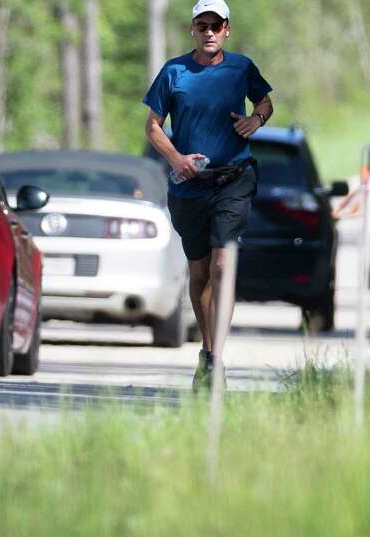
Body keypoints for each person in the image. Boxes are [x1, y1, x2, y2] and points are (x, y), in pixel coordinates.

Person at [143, 0, 273, 391]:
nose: (210, 32)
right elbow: (152, 126)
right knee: (199, 271)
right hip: (189, 185)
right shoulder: (174, 71)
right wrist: (177, 159)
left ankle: (216, 358)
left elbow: (265, 101)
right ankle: (207, 351)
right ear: (193, 31)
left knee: (221, 265)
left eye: (216, 25)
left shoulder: (241, 68)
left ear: (227, 30)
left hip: (233, 178)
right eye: (203, 25)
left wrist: (256, 119)